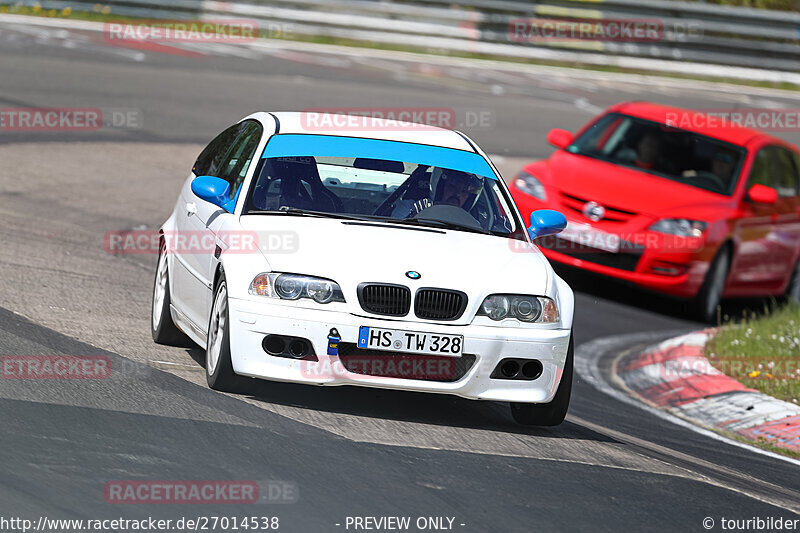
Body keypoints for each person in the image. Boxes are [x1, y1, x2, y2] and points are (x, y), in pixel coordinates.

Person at [408, 169, 484, 217]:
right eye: (453, 187)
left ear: (469, 198)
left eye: (464, 191)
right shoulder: (418, 209)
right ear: (440, 187)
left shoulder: (473, 226)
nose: (458, 193)